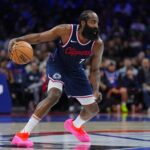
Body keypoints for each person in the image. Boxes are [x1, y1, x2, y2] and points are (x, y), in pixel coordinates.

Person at [8, 10, 104, 147]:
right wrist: (18, 39)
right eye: (93, 22)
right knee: (54, 95)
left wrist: (96, 90)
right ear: (83, 23)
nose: (96, 26)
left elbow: (95, 70)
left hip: (75, 70)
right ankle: (22, 134)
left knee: (93, 109)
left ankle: (75, 126)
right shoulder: (66, 31)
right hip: (57, 65)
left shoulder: (97, 44)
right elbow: (40, 37)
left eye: (97, 23)